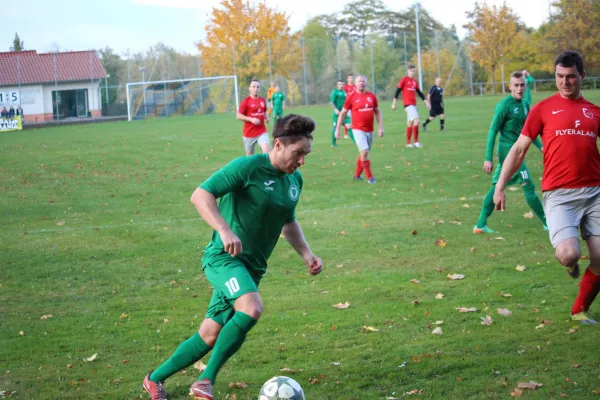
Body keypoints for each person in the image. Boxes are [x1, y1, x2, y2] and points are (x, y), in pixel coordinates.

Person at [143, 114, 323, 400]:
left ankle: (153, 379)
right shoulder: (248, 167)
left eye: (306, 155)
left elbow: (288, 222)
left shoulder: (294, 181)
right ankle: (205, 381)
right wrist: (224, 230)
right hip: (223, 259)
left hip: (252, 269)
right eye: (298, 153)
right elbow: (201, 194)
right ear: (278, 145)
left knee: (209, 335)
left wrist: (307, 254)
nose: (302, 161)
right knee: (251, 308)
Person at [494, 51, 600, 325]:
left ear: (582, 76)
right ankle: (571, 264)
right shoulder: (543, 109)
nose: (565, 82)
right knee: (568, 255)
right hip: (559, 195)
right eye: (560, 76)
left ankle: (579, 310)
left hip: (595, 193)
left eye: (571, 77)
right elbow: (519, 149)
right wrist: (500, 186)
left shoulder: (594, 112)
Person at [473, 71, 546, 234]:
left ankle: (480, 225)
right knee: (528, 185)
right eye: (516, 85)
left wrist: (541, 147)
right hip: (507, 151)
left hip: (518, 150)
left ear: (526, 86)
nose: (519, 88)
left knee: (497, 186)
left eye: (522, 85)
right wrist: (488, 158)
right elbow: (493, 131)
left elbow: (528, 131)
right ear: (510, 87)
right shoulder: (504, 105)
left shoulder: (525, 104)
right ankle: (547, 222)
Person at [335, 74, 383, 184]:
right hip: (357, 129)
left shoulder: (371, 96)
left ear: (366, 83)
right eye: (359, 81)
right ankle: (370, 177)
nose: (361, 83)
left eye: (363, 81)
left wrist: (380, 127)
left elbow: (377, 111)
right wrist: (337, 129)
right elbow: (343, 113)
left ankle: (357, 175)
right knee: (364, 152)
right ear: (355, 84)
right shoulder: (351, 97)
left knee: (363, 153)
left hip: (370, 130)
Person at [391, 64, 430, 148]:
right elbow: (397, 91)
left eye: (414, 71)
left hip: (414, 104)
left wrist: (426, 102)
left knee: (410, 123)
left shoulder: (414, 81)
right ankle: (416, 142)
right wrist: (394, 103)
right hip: (408, 105)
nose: (412, 72)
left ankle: (408, 143)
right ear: (408, 71)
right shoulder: (404, 80)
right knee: (416, 120)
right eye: (411, 71)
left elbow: (419, 93)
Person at [236, 80, 270, 156]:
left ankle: (265, 164)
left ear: (259, 88)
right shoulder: (246, 101)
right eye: (254, 86)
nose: (256, 88)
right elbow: (238, 116)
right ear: (250, 88)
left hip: (262, 131)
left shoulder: (262, 100)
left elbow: (264, 111)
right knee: (250, 157)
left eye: (258, 87)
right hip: (249, 133)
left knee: (267, 154)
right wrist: (251, 119)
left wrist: (267, 117)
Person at [330, 80, 354, 147]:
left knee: (349, 126)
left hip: (344, 113)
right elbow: (331, 102)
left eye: (343, 84)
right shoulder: (335, 92)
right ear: (337, 85)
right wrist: (335, 109)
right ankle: (333, 144)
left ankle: (356, 142)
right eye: (340, 84)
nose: (342, 85)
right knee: (335, 128)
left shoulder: (344, 93)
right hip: (337, 114)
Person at [342, 74, 355, 139]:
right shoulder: (345, 87)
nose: (351, 79)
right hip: (348, 106)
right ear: (347, 79)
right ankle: (346, 134)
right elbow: (343, 96)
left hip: (355, 105)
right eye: (350, 78)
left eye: (352, 78)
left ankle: (355, 131)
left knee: (354, 119)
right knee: (347, 119)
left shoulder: (355, 86)